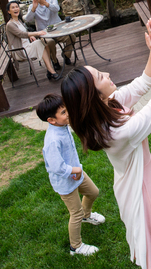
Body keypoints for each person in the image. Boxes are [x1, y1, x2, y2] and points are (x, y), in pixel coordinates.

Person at [61, 20, 151, 269]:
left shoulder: (107, 106)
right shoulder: (117, 133)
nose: (107, 74)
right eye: (100, 76)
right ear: (94, 95)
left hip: (144, 178)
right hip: (138, 188)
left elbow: (142, 84)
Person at [36, 94, 106, 256]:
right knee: (76, 213)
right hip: (65, 181)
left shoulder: (62, 126)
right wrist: (75, 171)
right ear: (51, 120)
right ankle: (76, 246)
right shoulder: (53, 140)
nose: (68, 113)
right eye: (63, 112)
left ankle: (86, 216)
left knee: (93, 192)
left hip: (75, 171)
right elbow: (56, 167)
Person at [5, 0, 61, 81]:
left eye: (17, 7)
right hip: (20, 50)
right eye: (13, 8)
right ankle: (51, 71)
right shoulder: (10, 24)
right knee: (39, 43)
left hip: (27, 46)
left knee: (45, 45)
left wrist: (30, 36)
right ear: (9, 11)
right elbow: (21, 34)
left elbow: (24, 32)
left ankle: (50, 70)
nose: (16, 9)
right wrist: (37, 33)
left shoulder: (19, 21)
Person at [24, 0, 76, 68]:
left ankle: (66, 55)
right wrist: (33, 8)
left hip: (58, 30)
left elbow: (57, 9)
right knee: (50, 42)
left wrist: (45, 3)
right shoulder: (32, 6)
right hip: (44, 34)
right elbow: (28, 20)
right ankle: (55, 61)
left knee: (72, 36)